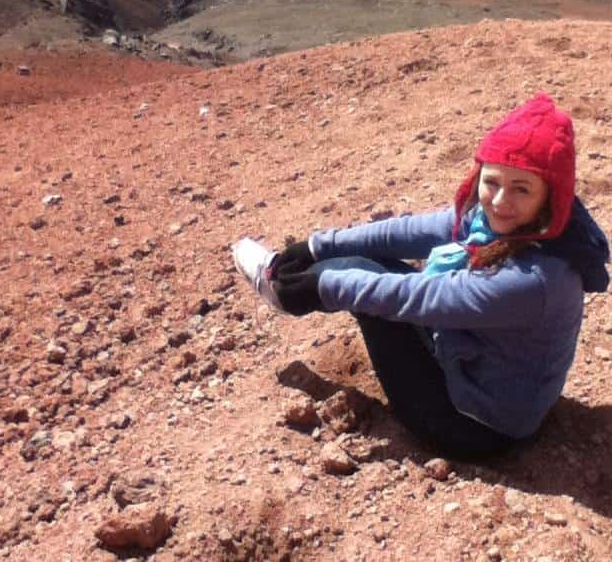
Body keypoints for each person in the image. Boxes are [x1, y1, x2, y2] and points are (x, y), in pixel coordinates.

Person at [232, 93, 609, 460]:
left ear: (549, 196)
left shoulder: (536, 278)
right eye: (492, 181)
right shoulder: (516, 223)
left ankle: (280, 291)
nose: (498, 200)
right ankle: (285, 274)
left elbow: (418, 297)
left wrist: (321, 288)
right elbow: (416, 230)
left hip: (477, 427)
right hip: (481, 376)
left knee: (369, 289)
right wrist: (318, 246)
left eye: (521, 189)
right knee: (366, 260)